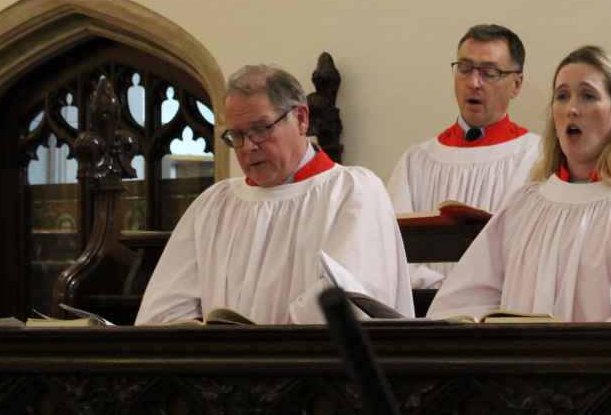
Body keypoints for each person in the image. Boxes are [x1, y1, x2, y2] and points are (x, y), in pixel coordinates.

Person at [428, 46, 611, 322]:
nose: (571, 109)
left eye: (587, 96)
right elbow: (460, 304)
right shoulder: (525, 205)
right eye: (562, 96)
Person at [137, 65, 414, 324]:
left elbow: (350, 300)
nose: (247, 147)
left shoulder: (352, 191)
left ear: (301, 119)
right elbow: (164, 312)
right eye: (236, 136)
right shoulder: (213, 204)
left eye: (260, 130)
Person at [387, 25, 542, 288]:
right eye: (465, 69)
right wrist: (440, 290)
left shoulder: (538, 157)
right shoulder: (418, 161)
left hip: (502, 311)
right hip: (427, 310)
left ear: (516, 84)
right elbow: (391, 246)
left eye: (489, 72)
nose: (473, 82)